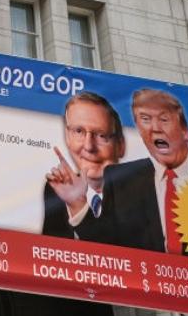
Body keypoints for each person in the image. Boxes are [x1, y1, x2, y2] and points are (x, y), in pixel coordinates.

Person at [49, 88, 188, 267]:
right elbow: (106, 250)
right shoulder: (120, 179)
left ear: (185, 131)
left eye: (164, 119)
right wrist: (78, 203)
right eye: (145, 120)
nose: (154, 129)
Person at [42, 92, 126, 238]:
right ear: (67, 138)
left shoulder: (144, 193)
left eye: (101, 135)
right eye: (79, 131)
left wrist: (79, 208)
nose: (88, 146)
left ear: (120, 145)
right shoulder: (55, 190)